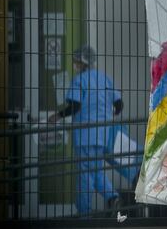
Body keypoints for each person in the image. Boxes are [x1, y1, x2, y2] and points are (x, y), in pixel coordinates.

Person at [48, 45, 123, 216]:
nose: (75, 65)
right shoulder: (105, 79)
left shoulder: (79, 80)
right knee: (95, 171)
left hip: (85, 135)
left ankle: (84, 214)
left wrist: (57, 116)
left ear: (83, 62)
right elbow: (119, 106)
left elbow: (75, 106)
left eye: (76, 61)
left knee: (85, 175)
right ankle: (113, 198)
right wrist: (106, 115)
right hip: (102, 135)